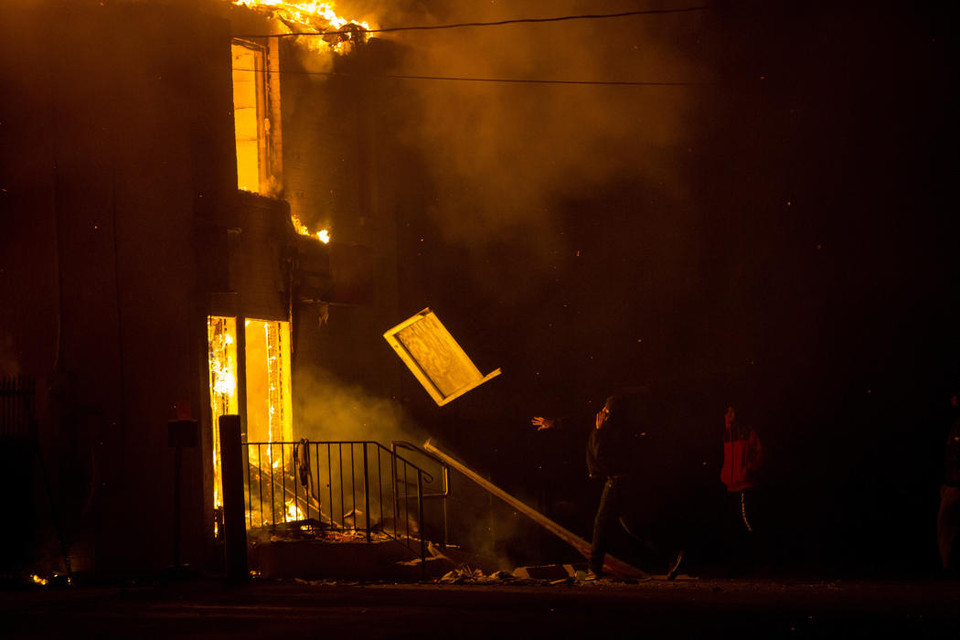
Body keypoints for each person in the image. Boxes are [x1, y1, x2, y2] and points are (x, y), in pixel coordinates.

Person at [534, 389, 682, 579]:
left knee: (601, 524)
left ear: (613, 413)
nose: (602, 412)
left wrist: (599, 432)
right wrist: (553, 423)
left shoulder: (615, 431)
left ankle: (594, 569)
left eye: (606, 410)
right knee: (633, 526)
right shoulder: (606, 424)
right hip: (621, 482)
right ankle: (672, 555)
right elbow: (579, 422)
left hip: (617, 482)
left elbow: (602, 456)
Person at [720, 403, 764, 572]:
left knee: (748, 522)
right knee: (733, 524)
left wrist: (748, 469)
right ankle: (740, 562)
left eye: (731, 411)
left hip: (745, 484)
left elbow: (760, 453)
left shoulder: (748, 431)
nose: (728, 414)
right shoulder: (726, 433)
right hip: (731, 485)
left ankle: (759, 558)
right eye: (727, 411)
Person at [938, 389, 960, 576]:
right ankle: (947, 565)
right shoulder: (955, 425)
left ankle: (949, 565)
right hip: (952, 484)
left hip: (956, 484)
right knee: (946, 526)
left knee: (948, 525)